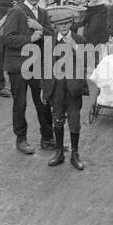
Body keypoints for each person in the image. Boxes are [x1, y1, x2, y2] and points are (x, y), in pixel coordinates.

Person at [3, 0, 56, 155]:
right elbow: (7, 39)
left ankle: (47, 139)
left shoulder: (42, 12)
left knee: (43, 101)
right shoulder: (16, 12)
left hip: (37, 65)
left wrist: (39, 27)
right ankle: (21, 139)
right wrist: (30, 39)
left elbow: (52, 37)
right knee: (20, 103)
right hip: (19, 65)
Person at [39, 10, 88, 170]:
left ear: (71, 23)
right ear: (55, 26)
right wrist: (43, 88)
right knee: (57, 118)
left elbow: (87, 60)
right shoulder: (50, 42)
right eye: (60, 24)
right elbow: (45, 67)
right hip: (56, 87)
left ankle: (75, 154)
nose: (64, 26)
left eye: (67, 23)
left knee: (74, 120)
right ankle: (59, 152)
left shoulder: (79, 40)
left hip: (73, 87)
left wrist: (73, 44)